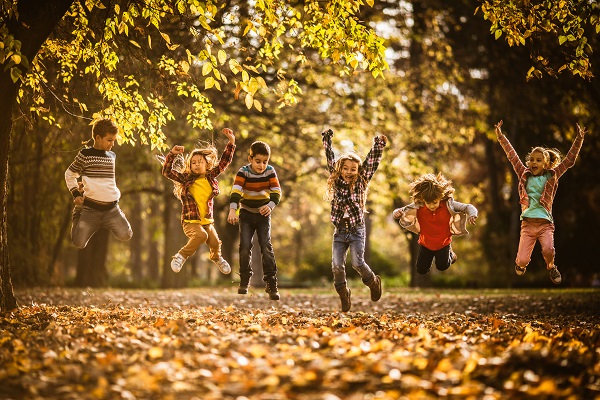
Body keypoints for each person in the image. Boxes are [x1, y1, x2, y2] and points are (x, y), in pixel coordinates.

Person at [494, 120, 586, 284]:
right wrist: (501, 137)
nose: (534, 163)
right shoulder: (523, 173)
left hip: (545, 224)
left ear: (546, 164)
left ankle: (551, 267)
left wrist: (579, 139)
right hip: (528, 225)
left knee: (549, 250)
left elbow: (569, 161)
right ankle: (521, 265)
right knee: (521, 261)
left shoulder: (552, 175)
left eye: (538, 160)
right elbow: (512, 155)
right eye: (532, 160)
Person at [322, 128, 387, 312]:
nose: (349, 172)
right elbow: (329, 157)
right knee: (336, 265)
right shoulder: (336, 180)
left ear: (358, 171)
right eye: (345, 168)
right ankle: (343, 293)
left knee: (357, 263)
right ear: (340, 168)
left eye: (353, 169)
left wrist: (379, 145)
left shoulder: (361, 181)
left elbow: (372, 162)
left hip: (357, 229)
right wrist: (327, 139)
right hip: (340, 231)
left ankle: (373, 282)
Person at [161, 128, 236, 274]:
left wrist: (231, 142)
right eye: (193, 162)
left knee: (214, 242)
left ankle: (217, 258)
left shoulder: (210, 176)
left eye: (199, 162)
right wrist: (172, 155)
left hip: (207, 221)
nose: (196, 164)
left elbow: (224, 162)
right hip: (190, 221)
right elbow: (167, 172)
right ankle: (180, 256)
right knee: (202, 236)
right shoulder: (186, 179)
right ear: (190, 165)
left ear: (206, 164)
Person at [65, 118, 133, 248]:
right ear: (98, 138)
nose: (112, 144)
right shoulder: (85, 154)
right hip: (91, 210)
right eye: (109, 140)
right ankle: (78, 211)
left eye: (113, 140)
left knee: (127, 234)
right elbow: (69, 174)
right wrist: (75, 193)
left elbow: (105, 182)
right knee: (78, 243)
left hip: (112, 210)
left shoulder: (112, 156)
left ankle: (118, 214)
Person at [393, 172, 478, 276]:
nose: (431, 206)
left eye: (435, 202)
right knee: (421, 270)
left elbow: (467, 207)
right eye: (428, 203)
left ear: (440, 198)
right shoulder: (419, 206)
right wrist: (396, 213)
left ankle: (451, 255)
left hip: (443, 243)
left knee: (442, 266)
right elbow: (401, 211)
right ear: (423, 200)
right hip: (426, 244)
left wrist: (472, 215)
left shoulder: (448, 205)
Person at [227, 141, 282, 300]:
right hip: (246, 213)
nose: (262, 165)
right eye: (258, 161)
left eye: (265, 161)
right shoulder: (243, 172)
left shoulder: (270, 171)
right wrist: (232, 209)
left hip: (263, 214)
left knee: (266, 245)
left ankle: (271, 282)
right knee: (245, 246)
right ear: (250, 158)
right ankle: (244, 280)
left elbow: (276, 192)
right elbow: (236, 192)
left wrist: (270, 206)